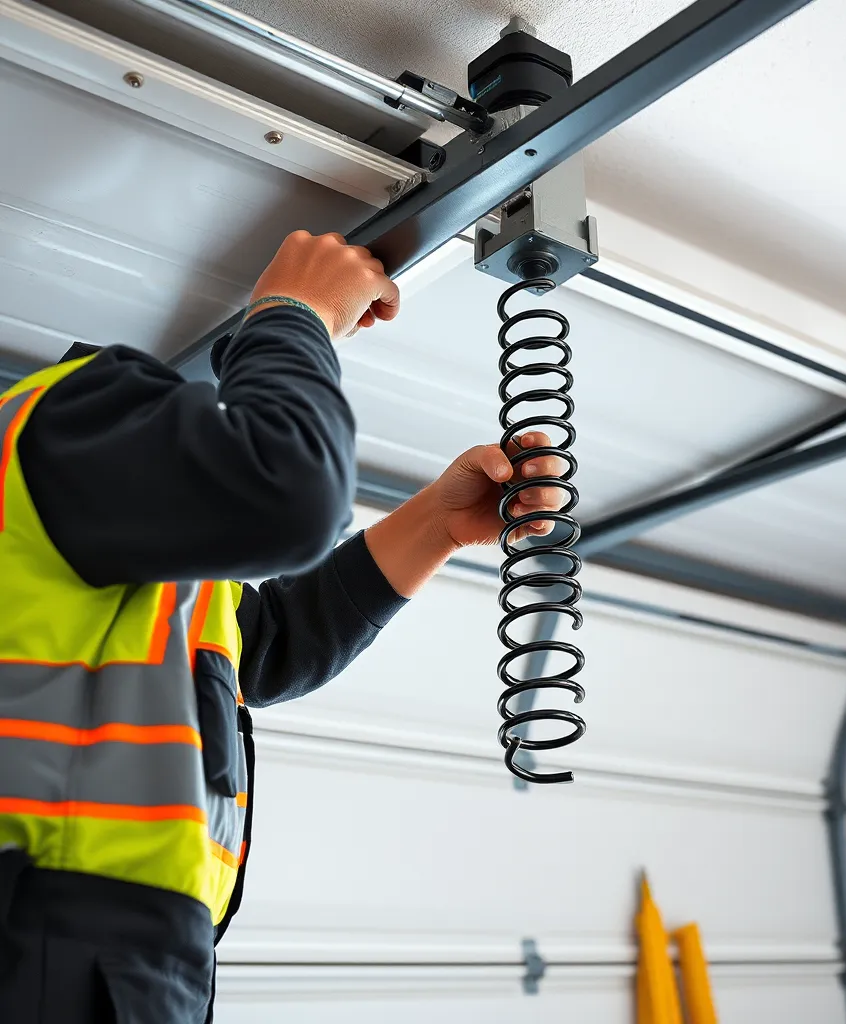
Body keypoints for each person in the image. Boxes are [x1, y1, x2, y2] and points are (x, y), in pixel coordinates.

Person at [0, 230, 564, 1022]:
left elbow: (257, 644)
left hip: (91, 948)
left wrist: (435, 525)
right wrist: (294, 313)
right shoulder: (47, 424)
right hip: (61, 939)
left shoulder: (79, 495)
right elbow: (286, 490)